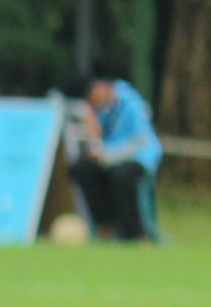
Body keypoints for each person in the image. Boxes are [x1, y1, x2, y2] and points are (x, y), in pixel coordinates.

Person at [67, 70, 161, 242]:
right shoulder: (98, 109)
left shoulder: (131, 102)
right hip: (111, 158)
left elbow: (140, 141)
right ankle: (105, 226)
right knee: (81, 169)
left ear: (101, 88)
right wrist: (93, 132)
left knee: (122, 176)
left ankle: (136, 234)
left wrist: (107, 157)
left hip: (139, 157)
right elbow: (99, 143)